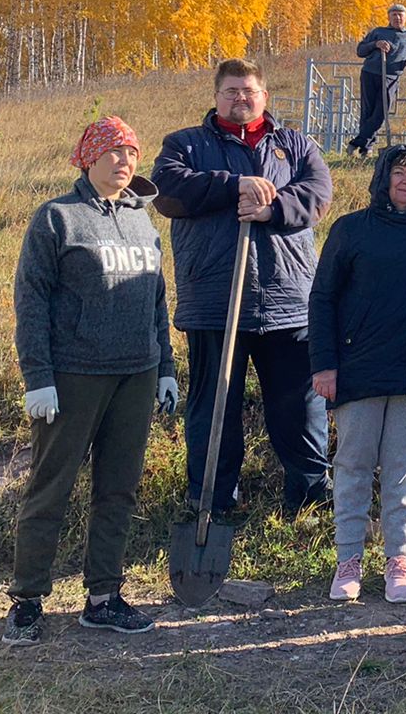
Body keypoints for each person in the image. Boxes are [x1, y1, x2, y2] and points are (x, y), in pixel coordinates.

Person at [4, 116, 176, 645]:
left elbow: (156, 300)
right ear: (88, 159)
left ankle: (103, 597)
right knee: (50, 487)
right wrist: (38, 377)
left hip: (137, 374)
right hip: (74, 376)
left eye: (131, 154)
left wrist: (166, 366)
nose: (125, 164)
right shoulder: (57, 218)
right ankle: (28, 600)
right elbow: (31, 299)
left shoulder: (143, 221)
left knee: (118, 490)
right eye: (115, 154)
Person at [152, 59, 335, 517]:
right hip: (214, 301)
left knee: (299, 408)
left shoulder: (294, 145)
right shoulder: (185, 145)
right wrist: (234, 186)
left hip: (288, 300)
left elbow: (318, 194)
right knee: (214, 408)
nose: (241, 98)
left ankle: (310, 497)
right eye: (231, 90)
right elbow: (167, 191)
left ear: (264, 97)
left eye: (249, 91)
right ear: (216, 96)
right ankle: (212, 500)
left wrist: (272, 208)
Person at [309, 145, 406, 605]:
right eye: (400, 172)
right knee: (352, 467)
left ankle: (398, 560)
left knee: (404, 472)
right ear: (382, 177)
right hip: (357, 370)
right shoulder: (351, 230)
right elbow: (323, 298)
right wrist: (324, 364)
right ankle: (348, 559)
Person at [347, 3, 406, 158]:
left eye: (400, 14)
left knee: (382, 113)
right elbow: (360, 50)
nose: (397, 17)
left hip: (391, 77)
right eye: (394, 14)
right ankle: (366, 148)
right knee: (367, 111)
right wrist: (375, 44)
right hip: (370, 73)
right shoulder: (378, 32)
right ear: (389, 17)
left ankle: (357, 142)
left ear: (405, 17)